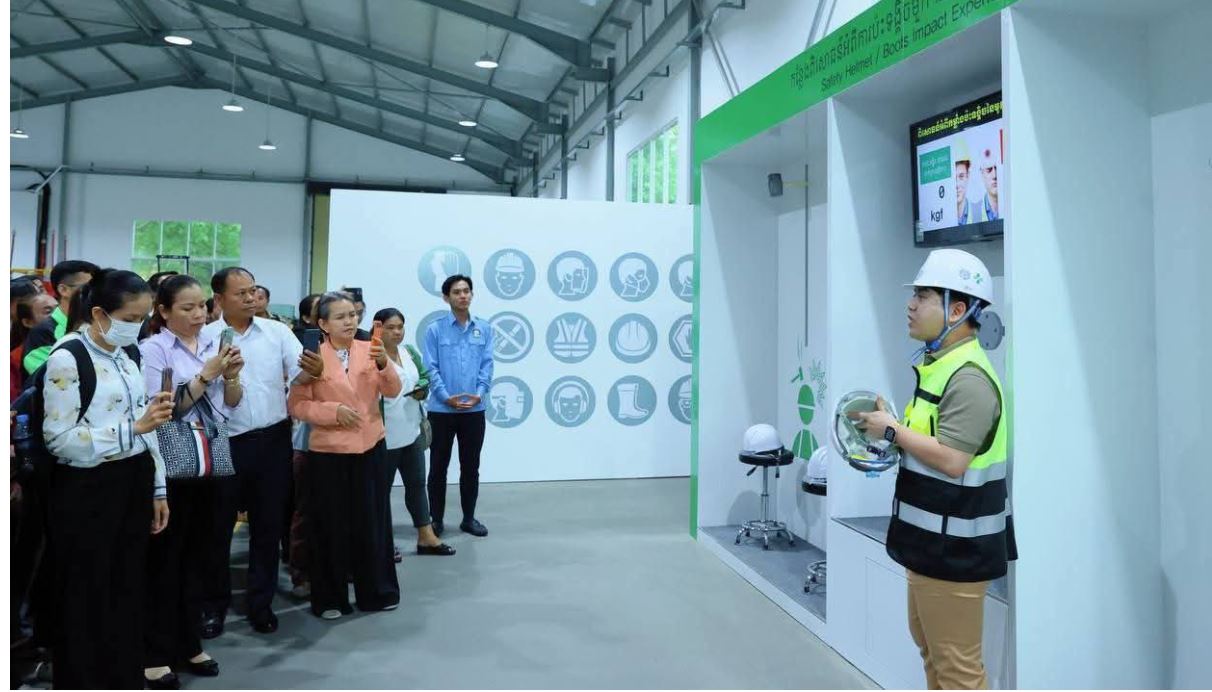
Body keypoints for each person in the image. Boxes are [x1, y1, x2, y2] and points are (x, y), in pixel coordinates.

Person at [853, 249, 1015, 690]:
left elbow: (952, 459)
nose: (910, 305)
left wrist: (892, 431)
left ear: (956, 310)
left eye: (923, 296)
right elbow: (931, 446)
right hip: (930, 546)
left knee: (958, 672)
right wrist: (892, 429)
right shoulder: (939, 367)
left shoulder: (969, 379)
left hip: (955, 553)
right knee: (934, 655)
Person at [42, 269, 175, 688]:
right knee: (86, 593)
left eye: (143, 318)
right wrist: (131, 430)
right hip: (88, 492)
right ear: (99, 313)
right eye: (130, 318)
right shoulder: (68, 358)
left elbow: (147, 426)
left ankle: (122, 675)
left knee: (126, 587)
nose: (137, 327)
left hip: (133, 480)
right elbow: (59, 440)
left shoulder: (127, 355)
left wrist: (157, 487)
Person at [199, 267, 323, 636]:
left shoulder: (277, 332)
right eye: (241, 293)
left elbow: (299, 376)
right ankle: (213, 606)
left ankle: (260, 604)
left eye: (253, 291)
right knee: (216, 529)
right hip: (223, 441)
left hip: (272, 440)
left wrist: (314, 370)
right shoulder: (205, 337)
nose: (251, 298)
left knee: (268, 526)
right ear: (219, 299)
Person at [139, 275, 244, 689]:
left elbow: (232, 405)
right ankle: (155, 651)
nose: (199, 314)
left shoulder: (214, 343)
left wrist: (231, 375)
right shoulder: (154, 349)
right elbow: (166, 410)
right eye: (187, 307)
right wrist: (206, 374)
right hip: (172, 467)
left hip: (211, 462)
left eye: (202, 306)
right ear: (163, 311)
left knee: (202, 557)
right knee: (165, 561)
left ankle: (189, 642)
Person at [288, 292, 402, 619]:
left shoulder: (371, 349)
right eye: (340, 317)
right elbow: (296, 404)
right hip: (329, 453)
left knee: (373, 522)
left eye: (352, 315)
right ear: (323, 324)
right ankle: (329, 598)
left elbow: (393, 390)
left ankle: (377, 591)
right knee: (330, 526)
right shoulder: (312, 357)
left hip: (371, 447)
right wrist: (332, 411)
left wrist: (384, 364)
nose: (349, 321)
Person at [373, 308, 455, 559]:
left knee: (417, 485)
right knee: (380, 491)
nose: (397, 332)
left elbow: (424, 377)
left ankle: (426, 537)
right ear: (378, 328)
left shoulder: (409, 352)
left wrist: (422, 388)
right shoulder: (370, 356)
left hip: (412, 431)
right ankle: (382, 542)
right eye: (391, 327)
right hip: (383, 436)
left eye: (400, 327)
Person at [423, 274, 494, 538]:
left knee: (470, 467)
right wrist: (445, 397)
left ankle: (469, 518)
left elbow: (487, 364)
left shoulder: (484, 328)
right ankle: (436, 520)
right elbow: (430, 367)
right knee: (438, 467)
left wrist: (479, 394)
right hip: (441, 411)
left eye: (466, 291)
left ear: (471, 294)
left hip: (474, 411)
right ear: (446, 297)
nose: (463, 296)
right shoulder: (435, 329)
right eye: (456, 292)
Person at [23, 259, 99, 375]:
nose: (96, 293)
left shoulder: (99, 324)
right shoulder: (43, 332)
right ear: (63, 290)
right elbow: (53, 377)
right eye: (89, 287)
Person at [10, 293, 56, 402]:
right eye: (48, 312)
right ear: (28, 322)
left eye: (58, 308)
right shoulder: (16, 357)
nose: (56, 315)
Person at [953, 140, 976, 225]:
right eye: (953, 179)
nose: (957, 185)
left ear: (968, 176)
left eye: (961, 176)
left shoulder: (979, 212)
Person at [974, 147, 1000, 222]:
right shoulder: (974, 211)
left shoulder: (1011, 205)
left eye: (997, 168)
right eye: (989, 170)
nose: (994, 175)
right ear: (982, 174)